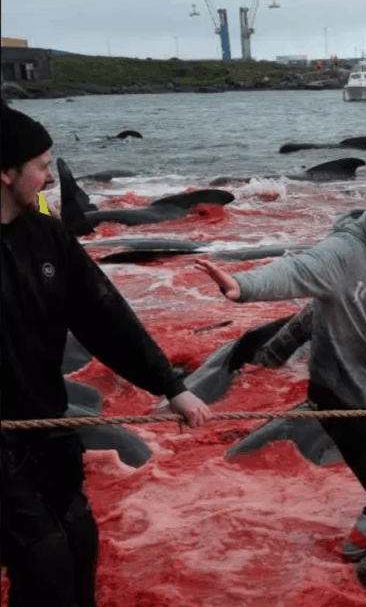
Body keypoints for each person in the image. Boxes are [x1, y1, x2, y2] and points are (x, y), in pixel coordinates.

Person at [194, 162, 366, 563]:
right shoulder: (344, 252)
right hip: (338, 394)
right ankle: (348, 559)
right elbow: (298, 269)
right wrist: (242, 286)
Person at [1, 101, 212, 607]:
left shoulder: (49, 236)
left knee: (79, 542)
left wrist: (170, 386)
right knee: (43, 560)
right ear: (6, 173)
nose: (49, 177)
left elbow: (105, 316)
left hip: (44, 423)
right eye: (42, 166)